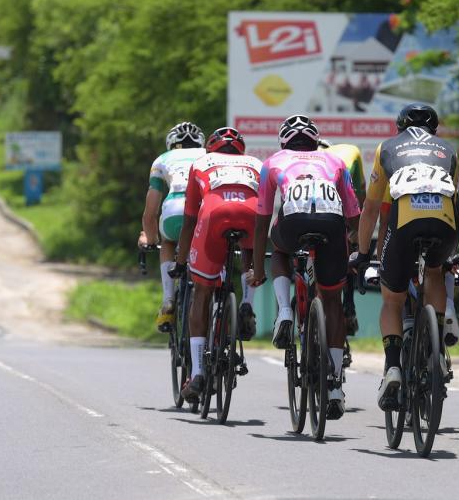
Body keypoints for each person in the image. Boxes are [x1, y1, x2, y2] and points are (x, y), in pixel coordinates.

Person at [250, 115, 361, 418]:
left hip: (293, 222)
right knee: (332, 301)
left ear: (284, 141)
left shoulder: (273, 161)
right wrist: (354, 246)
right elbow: (354, 216)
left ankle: (285, 311)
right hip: (331, 224)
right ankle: (335, 385)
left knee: (281, 248)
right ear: (315, 141)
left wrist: (258, 269)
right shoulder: (335, 161)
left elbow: (260, 223)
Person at [350, 104, 459, 411]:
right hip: (445, 221)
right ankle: (436, 348)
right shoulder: (448, 150)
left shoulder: (388, 147)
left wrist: (362, 253)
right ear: (434, 129)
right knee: (436, 270)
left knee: (392, 300)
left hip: (405, 221)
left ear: (400, 127)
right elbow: (455, 198)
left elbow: (371, 208)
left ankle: (394, 365)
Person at [170, 127, 262, 402]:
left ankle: (197, 372)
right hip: (251, 214)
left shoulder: (201, 162)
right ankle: (247, 304)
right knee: (249, 255)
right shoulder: (255, 163)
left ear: (212, 148)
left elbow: (188, 220)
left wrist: (181, 260)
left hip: (214, 214)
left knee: (202, 290)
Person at [141, 122, 206, 331]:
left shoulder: (161, 160)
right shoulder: (210, 155)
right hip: (208, 212)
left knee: (167, 241)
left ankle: (168, 299)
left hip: (174, 211)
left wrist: (150, 240)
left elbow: (150, 213)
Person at [318, 138, 365, 338]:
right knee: (349, 251)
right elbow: (360, 193)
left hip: (309, 212)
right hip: (339, 213)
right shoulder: (346, 153)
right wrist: (358, 230)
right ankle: (349, 305)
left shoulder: (297, 160)